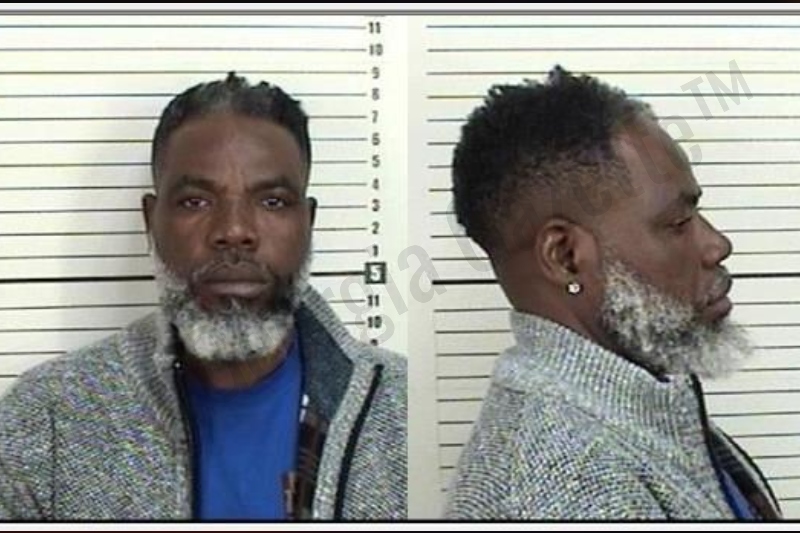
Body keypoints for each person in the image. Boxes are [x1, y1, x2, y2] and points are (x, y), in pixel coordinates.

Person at [0, 73, 407, 520]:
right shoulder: (48, 420)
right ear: (151, 221)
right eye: (195, 201)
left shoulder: (402, 408)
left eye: (272, 201)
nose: (234, 230)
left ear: (308, 224)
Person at [443, 66, 780, 520]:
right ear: (566, 256)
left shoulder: (637, 404)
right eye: (678, 223)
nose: (717, 245)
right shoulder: (563, 488)